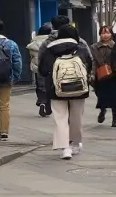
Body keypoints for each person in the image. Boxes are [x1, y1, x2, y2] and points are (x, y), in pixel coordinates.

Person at [39, 23, 94, 160]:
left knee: (60, 118)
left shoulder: (49, 49)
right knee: (77, 117)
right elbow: (89, 65)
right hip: (78, 89)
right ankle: (76, 143)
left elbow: (43, 70)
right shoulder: (80, 48)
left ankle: (65, 148)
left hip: (56, 90)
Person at [92, 25, 116, 127]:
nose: (105, 35)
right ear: (100, 34)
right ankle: (102, 110)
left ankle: (115, 119)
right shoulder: (94, 47)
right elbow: (92, 62)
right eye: (103, 33)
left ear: (111, 34)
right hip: (100, 75)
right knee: (101, 96)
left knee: (115, 97)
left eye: (108, 33)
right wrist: (92, 74)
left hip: (114, 75)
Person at [30, 22, 54, 116]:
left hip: (37, 68)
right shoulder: (50, 42)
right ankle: (47, 105)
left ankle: (41, 101)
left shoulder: (34, 42)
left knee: (40, 87)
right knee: (49, 86)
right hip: (49, 68)